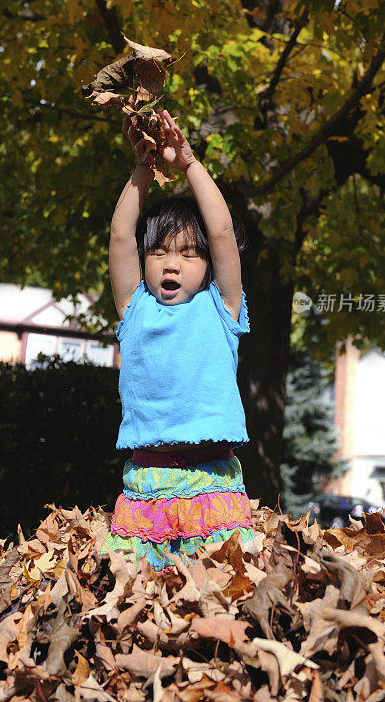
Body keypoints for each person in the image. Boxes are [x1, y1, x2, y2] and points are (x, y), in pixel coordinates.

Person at [100, 109, 259, 573]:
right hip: (147, 480)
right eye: (160, 252)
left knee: (221, 592)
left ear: (208, 266)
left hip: (214, 481)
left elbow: (223, 232)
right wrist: (143, 170)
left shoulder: (221, 307)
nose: (172, 264)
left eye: (189, 254)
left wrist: (189, 164)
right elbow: (119, 235)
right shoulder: (134, 307)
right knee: (137, 598)